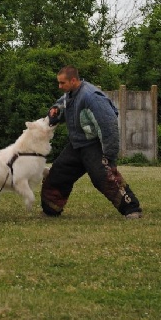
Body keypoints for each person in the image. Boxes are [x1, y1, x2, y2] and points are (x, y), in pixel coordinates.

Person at [41, 65, 142, 219]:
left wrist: (109, 154)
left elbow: (109, 126)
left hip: (94, 146)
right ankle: (51, 210)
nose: (59, 86)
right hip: (77, 145)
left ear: (73, 80)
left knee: (105, 178)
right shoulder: (70, 94)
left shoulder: (92, 97)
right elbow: (61, 105)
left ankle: (132, 209)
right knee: (58, 173)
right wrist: (54, 111)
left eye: (62, 83)